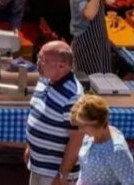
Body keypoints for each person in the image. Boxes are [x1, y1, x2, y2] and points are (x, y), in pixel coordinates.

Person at [26, 41, 84, 185]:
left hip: (53, 175)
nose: (38, 63)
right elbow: (36, 111)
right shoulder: (45, 79)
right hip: (38, 167)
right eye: (38, 58)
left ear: (62, 65)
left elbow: (76, 140)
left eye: (43, 60)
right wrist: (30, 147)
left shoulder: (73, 96)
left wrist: (62, 176)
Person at [70, 95, 134, 185]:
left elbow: (131, 183)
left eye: (83, 126)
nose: (80, 130)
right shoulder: (90, 136)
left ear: (98, 123)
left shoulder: (116, 151)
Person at [69, 0, 115, 75]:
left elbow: (111, 2)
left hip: (100, 42)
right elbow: (89, 14)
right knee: (91, 80)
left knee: (104, 79)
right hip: (86, 45)